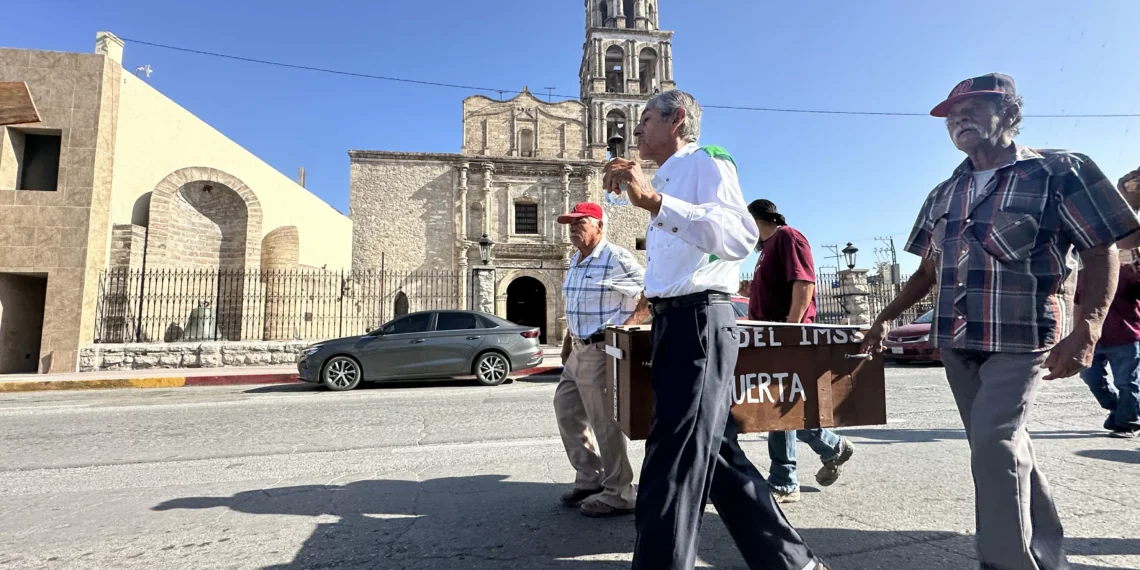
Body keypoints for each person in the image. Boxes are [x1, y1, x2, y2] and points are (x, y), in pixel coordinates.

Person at [861, 73, 1140, 570]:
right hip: (953, 337)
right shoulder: (945, 191)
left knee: (994, 445)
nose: (958, 119)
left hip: (1021, 334)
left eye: (972, 108)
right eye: (950, 115)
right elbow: (928, 269)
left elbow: (1102, 249)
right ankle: (1047, 557)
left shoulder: (1060, 170)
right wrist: (885, 316)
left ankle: (1005, 563)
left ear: (1010, 113)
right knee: (1002, 448)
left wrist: (1089, 327)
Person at [604, 89, 829, 570]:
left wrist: (656, 201)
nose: (638, 128)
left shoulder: (707, 159)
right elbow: (672, 266)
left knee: (673, 457)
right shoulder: (664, 174)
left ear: (677, 120)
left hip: (699, 319)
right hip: (676, 319)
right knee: (716, 453)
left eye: (646, 118)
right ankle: (793, 563)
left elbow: (740, 236)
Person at [746, 199, 855, 503]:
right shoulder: (765, 248)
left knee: (779, 408)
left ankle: (783, 481)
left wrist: (790, 330)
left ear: (756, 219)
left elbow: (803, 284)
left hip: (785, 337)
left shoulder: (788, 237)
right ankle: (832, 447)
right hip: (769, 336)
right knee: (780, 408)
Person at [554, 201, 649, 517]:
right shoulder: (576, 260)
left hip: (601, 348)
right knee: (565, 408)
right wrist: (569, 340)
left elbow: (653, 289)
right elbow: (576, 304)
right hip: (578, 348)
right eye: (571, 223)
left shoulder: (615, 257)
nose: (573, 228)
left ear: (599, 225)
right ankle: (590, 476)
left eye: (581, 222)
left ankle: (619, 492)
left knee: (603, 421)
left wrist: (629, 326)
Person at [1075, 244, 1140, 439]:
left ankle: (1129, 423)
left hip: (1126, 337)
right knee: (1091, 378)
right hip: (1094, 339)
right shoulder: (1081, 276)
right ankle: (1121, 409)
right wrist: (1075, 335)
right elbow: (1078, 305)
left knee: (1126, 382)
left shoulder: (1126, 272)